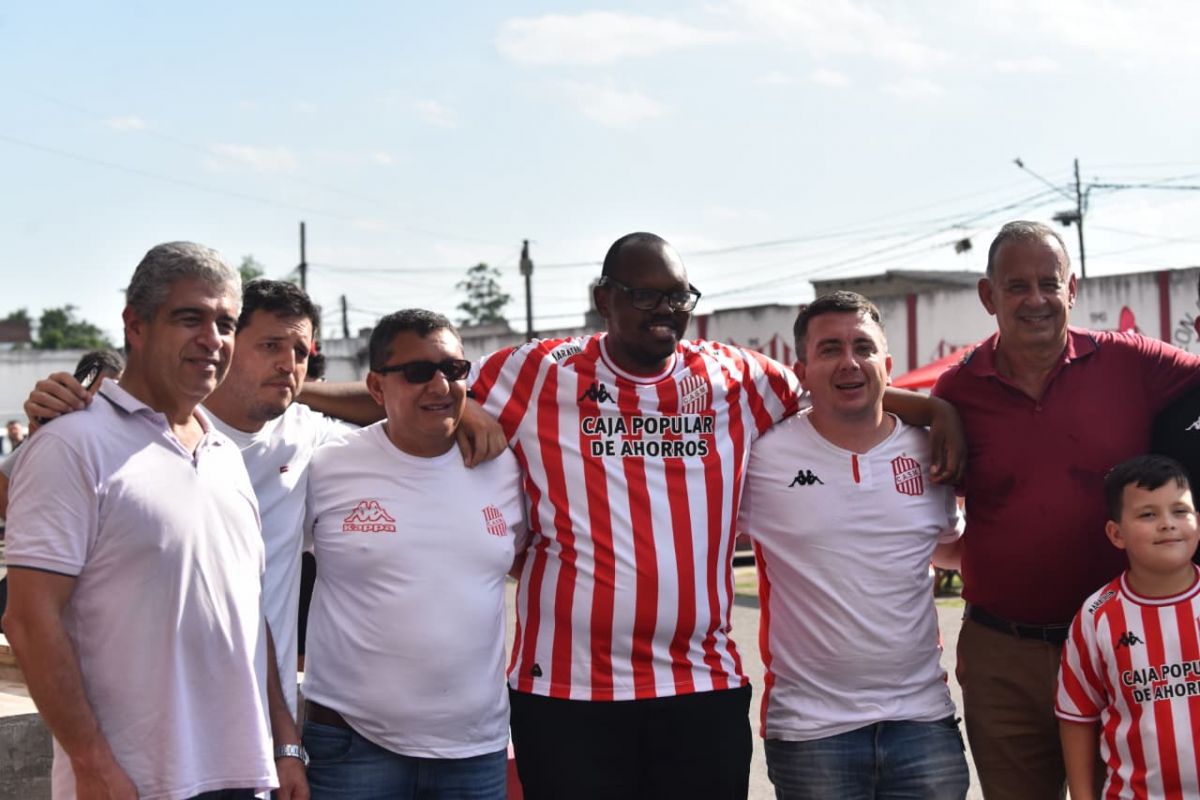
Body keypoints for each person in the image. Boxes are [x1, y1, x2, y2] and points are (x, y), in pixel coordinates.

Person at [467, 232, 964, 799]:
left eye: (679, 297)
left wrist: (932, 406)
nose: (665, 312)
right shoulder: (534, 372)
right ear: (604, 298)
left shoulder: (735, 378)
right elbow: (417, 392)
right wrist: (457, 406)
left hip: (699, 684)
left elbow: (839, 384)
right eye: (645, 296)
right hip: (567, 689)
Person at [18, 279, 507, 721]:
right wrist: (55, 416)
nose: (287, 363)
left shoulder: (312, 439)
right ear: (227, 345)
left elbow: (388, 398)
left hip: (264, 721)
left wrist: (452, 403)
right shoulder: (140, 425)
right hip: (142, 714)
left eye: (299, 350)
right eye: (270, 346)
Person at [1, 242, 305, 800]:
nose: (212, 339)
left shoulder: (224, 455)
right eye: (190, 317)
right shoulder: (72, 443)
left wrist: (283, 742)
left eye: (226, 323)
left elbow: (244, 611)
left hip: (243, 776)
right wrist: (92, 764)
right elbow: (28, 618)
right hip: (133, 783)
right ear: (135, 326)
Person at [932, 220, 1200, 800]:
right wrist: (929, 410)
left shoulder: (1131, 362)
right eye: (1017, 286)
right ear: (988, 296)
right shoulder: (955, 392)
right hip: (1004, 654)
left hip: (1122, 644)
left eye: (1049, 284)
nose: (1036, 300)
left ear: (1072, 289)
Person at [739, 291, 970, 800]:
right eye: (830, 349)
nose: (849, 362)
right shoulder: (761, 456)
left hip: (923, 720)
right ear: (801, 368)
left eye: (863, 347)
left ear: (886, 364)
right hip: (811, 730)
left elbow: (949, 550)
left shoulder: (927, 449)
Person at [301, 309, 527, 799]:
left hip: (475, 751)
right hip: (351, 744)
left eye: (454, 370)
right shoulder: (326, 464)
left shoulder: (504, 467)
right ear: (377, 388)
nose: (440, 385)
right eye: (419, 372)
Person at [1056, 454, 1200, 800]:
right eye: (1148, 514)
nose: (1168, 523)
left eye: (1180, 511)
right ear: (1116, 533)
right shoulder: (1096, 615)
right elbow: (1077, 715)